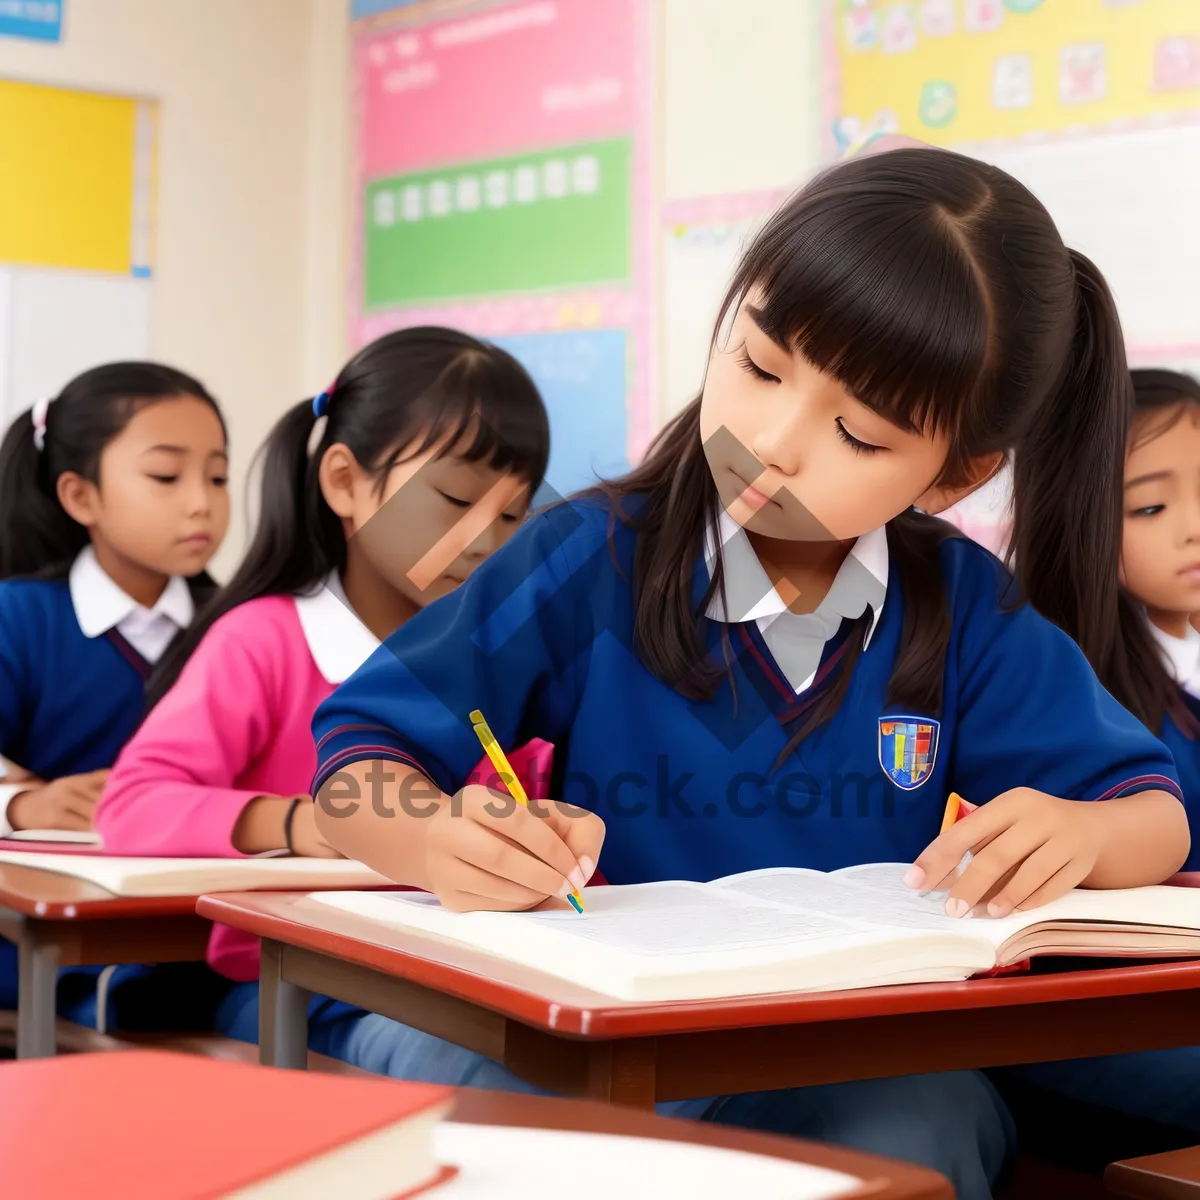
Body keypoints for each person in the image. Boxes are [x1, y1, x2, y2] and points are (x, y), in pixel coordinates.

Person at [308, 150, 1189, 1199]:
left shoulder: (967, 607)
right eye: (761, 365)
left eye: (859, 433)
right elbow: (357, 755)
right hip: (622, 1045)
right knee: (490, 1104)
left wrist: (1086, 832)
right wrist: (434, 837)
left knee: (923, 1121)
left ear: (955, 475)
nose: (770, 441)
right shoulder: (584, 557)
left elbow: (1152, 810)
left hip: (839, 1054)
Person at [97, 327, 551, 1050]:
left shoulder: (500, 658)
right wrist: (302, 822)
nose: (485, 541)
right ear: (344, 481)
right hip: (300, 986)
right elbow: (133, 802)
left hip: (468, 970)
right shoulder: (266, 641)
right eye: (456, 499)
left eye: (510, 514)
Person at [0, 362, 229, 1021]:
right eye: (166, 476)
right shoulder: (21, 616)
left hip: (200, 924)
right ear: (81, 497)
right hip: (51, 940)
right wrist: (24, 805)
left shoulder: (239, 622)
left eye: (216, 476)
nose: (201, 502)